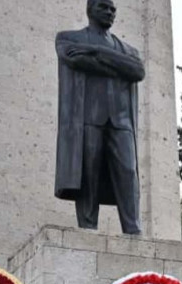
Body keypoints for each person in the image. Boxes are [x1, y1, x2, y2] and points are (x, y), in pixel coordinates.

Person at [55, 0, 145, 234]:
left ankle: (133, 230)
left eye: (113, 9)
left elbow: (137, 71)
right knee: (88, 174)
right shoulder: (69, 38)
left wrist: (97, 52)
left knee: (128, 173)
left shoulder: (129, 50)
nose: (109, 12)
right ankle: (87, 229)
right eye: (103, 7)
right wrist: (118, 67)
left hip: (121, 121)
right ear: (90, 10)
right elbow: (75, 60)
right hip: (88, 118)